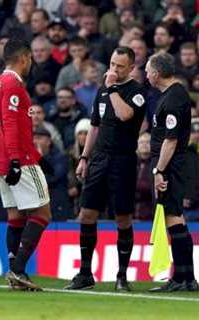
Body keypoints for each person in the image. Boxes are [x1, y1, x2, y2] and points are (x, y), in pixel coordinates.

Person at [65, 47, 146, 292]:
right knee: (87, 214)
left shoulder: (138, 93)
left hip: (122, 161)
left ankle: (122, 276)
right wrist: (84, 157)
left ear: (131, 68)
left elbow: (125, 115)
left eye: (120, 66)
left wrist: (111, 89)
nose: (114, 69)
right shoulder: (101, 92)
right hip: (99, 159)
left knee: (122, 217)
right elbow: (95, 127)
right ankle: (85, 273)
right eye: (112, 63)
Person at [0, 39, 51, 291]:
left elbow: (0, 124)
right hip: (18, 159)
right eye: (30, 59)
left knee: (15, 215)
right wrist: (16, 158)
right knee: (42, 214)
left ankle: (15, 270)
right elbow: (11, 124)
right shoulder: (13, 84)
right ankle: (18, 270)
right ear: (24, 58)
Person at [146, 52, 198, 292]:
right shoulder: (170, 95)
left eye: (147, 70)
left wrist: (159, 170)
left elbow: (171, 140)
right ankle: (186, 277)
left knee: (173, 217)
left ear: (156, 73)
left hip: (171, 164)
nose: (146, 74)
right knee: (175, 217)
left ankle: (182, 278)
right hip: (172, 163)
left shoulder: (174, 98)